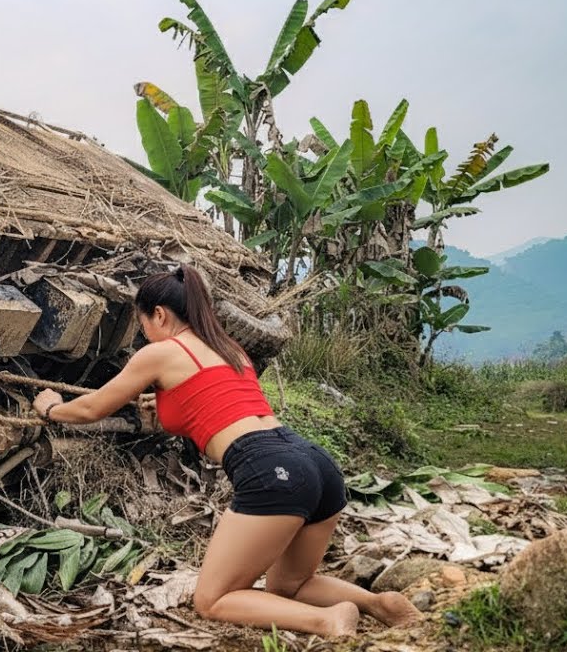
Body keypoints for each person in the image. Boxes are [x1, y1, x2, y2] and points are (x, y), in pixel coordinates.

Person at [30, 264, 421, 637]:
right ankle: (377, 603)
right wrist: (162, 407)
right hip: (313, 462)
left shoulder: (159, 353)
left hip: (268, 469)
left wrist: (50, 407)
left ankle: (329, 620)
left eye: (143, 322)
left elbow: (91, 408)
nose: (143, 332)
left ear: (160, 315)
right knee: (290, 586)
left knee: (213, 599)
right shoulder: (229, 348)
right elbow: (216, 406)